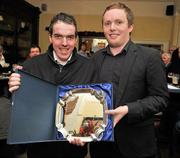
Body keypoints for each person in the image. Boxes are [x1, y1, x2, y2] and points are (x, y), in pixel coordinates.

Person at [8, 12, 95, 158]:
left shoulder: (89, 67)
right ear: (50, 37)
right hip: (38, 149)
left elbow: (94, 108)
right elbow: (21, 108)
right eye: (58, 36)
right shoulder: (30, 66)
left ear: (76, 39)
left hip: (73, 150)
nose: (64, 43)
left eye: (70, 37)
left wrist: (86, 134)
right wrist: (15, 92)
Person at [88, 2, 169, 158]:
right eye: (107, 23)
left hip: (136, 146)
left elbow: (161, 99)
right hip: (101, 146)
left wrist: (128, 109)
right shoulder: (95, 59)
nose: (112, 27)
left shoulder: (150, 57)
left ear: (130, 26)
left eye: (119, 22)